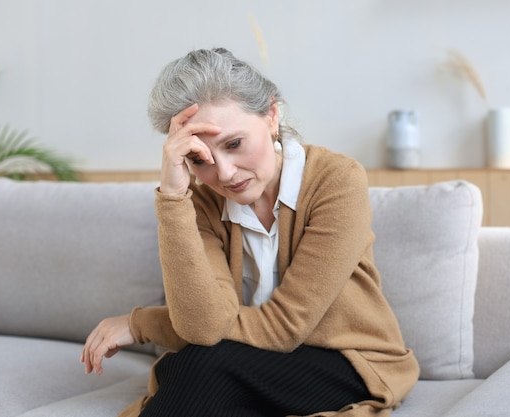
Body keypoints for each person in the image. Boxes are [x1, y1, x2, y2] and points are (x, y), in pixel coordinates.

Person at [81, 47, 419, 417]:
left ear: (272, 116)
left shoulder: (336, 180)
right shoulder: (199, 202)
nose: (224, 173)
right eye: (199, 160)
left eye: (234, 144)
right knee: (196, 374)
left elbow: (285, 327)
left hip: (350, 362)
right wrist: (174, 197)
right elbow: (202, 325)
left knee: (195, 368)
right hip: (249, 363)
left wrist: (142, 324)